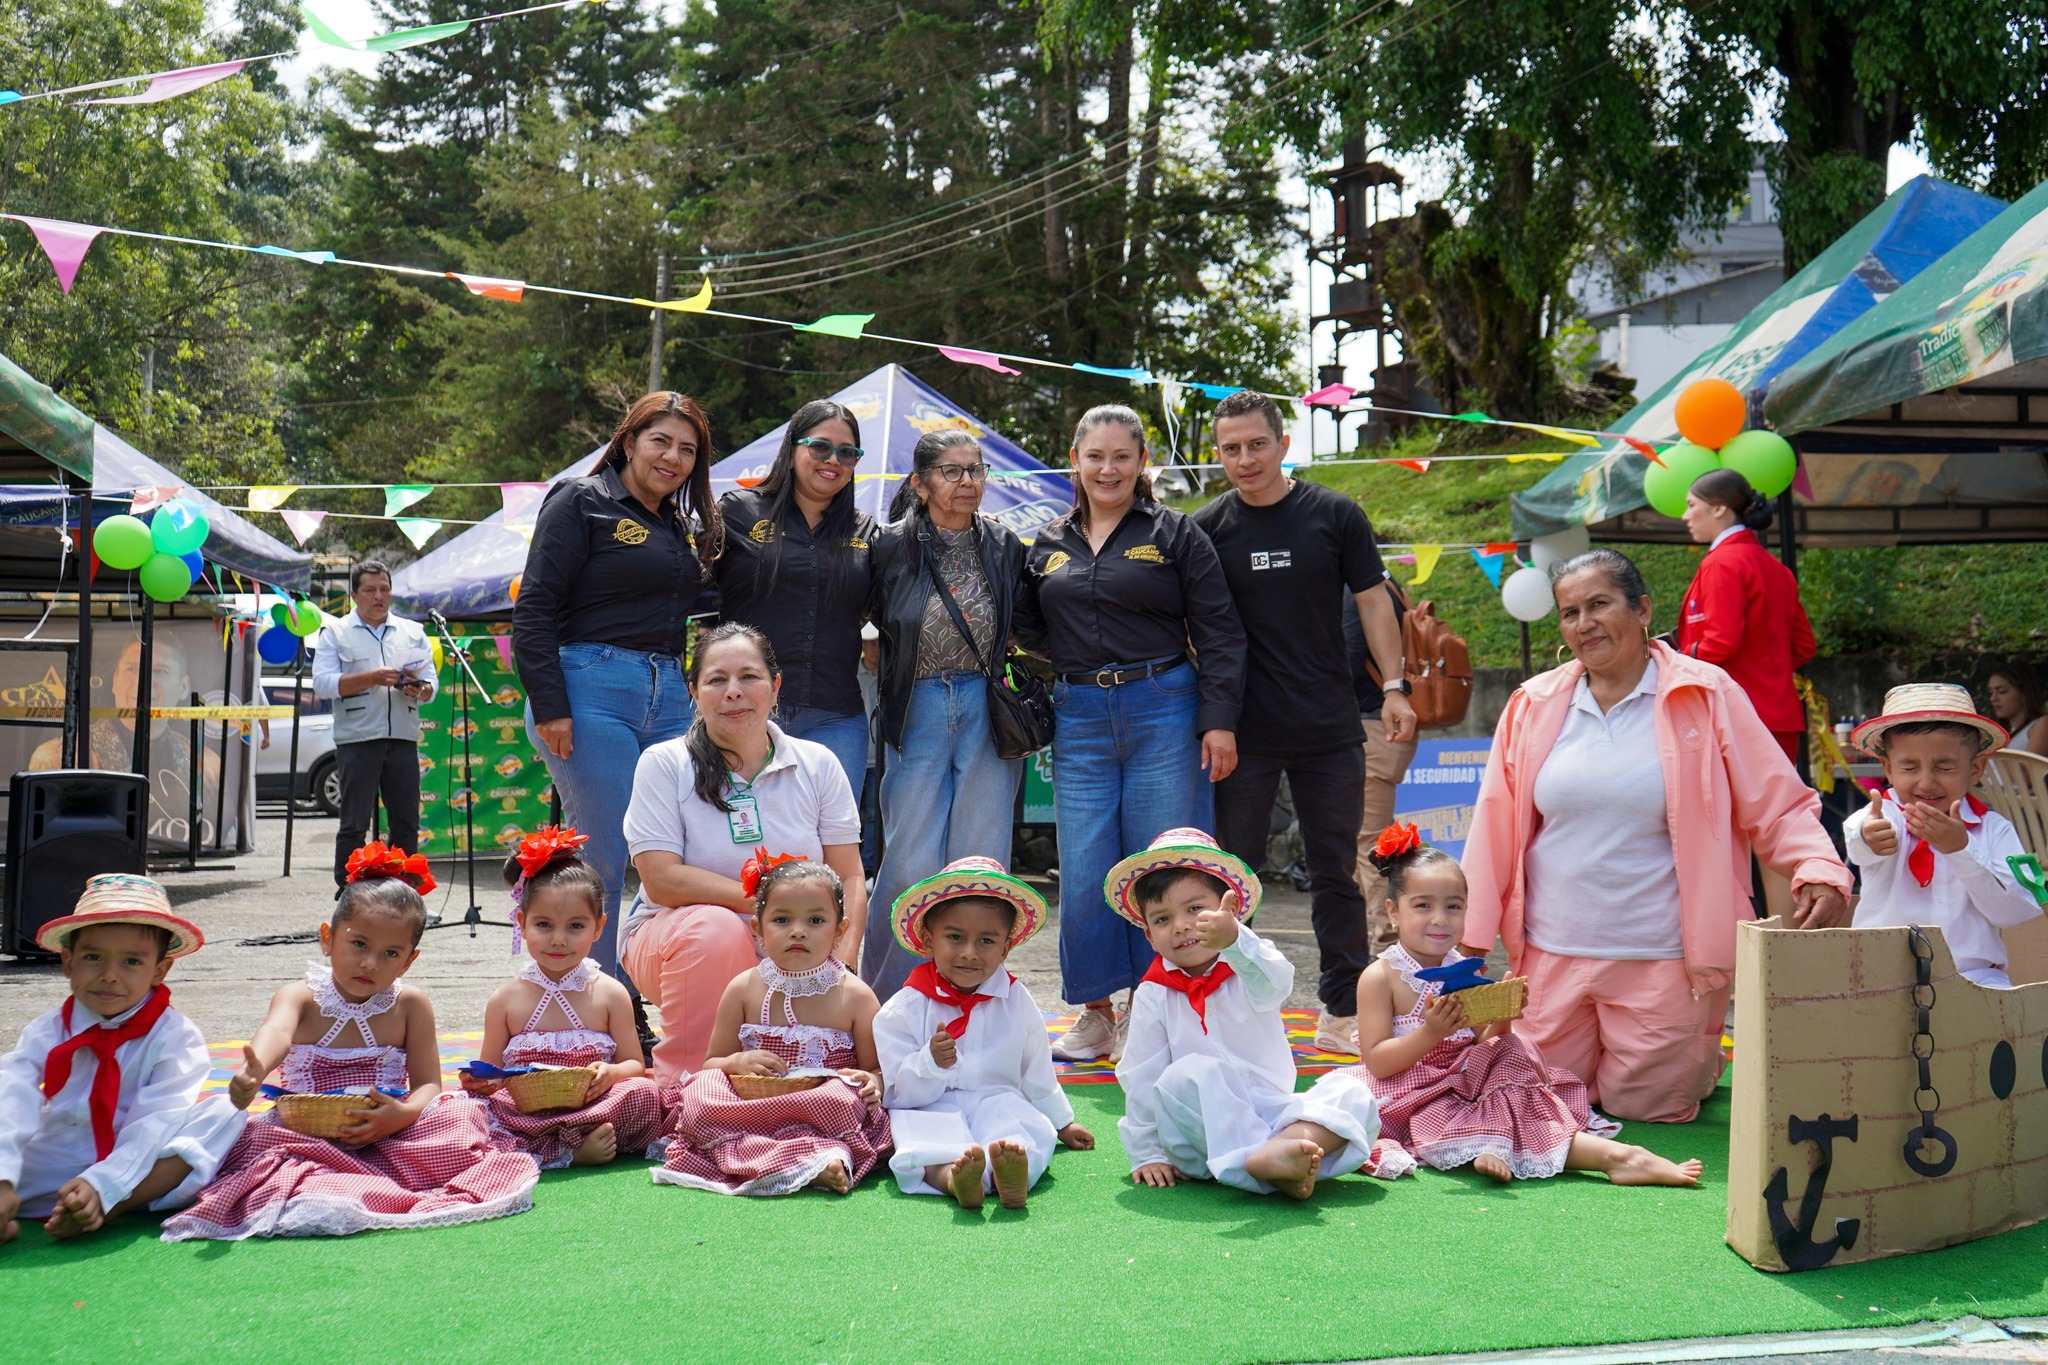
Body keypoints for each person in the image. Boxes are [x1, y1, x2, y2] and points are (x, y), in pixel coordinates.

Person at [1460, 549, 1853, 1124]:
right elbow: (1493, 824)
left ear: (1642, 609)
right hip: (1550, 956)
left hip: (1667, 960)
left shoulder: (1708, 693)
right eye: (1569, 613)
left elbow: (1777, 801)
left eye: (1599, 604)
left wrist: (1817, 866)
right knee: (1543, 1104)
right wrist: (1469, 943)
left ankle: (1693, 1057)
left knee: (1645, 1108)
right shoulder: (1533, 704)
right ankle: (1658, 1056)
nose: (1583, 624)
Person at [1015, 404, 1246, 1064]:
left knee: (1163, 863)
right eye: (1095, 456)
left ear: (1143, 461)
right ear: (1075, 460)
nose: (1108, 468)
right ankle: (1094, 1009)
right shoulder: (1047, 542)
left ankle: (1157, 1005)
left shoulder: (1174, 534)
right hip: (1081, 715)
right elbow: (1028, 626)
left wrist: (1219, 719)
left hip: (1164, 708)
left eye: (1122, 455)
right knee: (1087, 867)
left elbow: (1222, 631)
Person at [1190, 389, 1416, 1057]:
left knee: (1335, 871)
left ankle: (1341, 1007)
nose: (1244, 458)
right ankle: (1230, 1000)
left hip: (1329, 722)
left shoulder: (1334, 514)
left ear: (1284, 444)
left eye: (1256, 444)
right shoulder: (1206, 527)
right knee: (1236, 874)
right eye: (1230, 448)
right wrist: (1212, 717)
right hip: (1242, 730)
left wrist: (1396, 687)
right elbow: (1193, 626)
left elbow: (1376, 604)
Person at [163, 845, 540, 1241]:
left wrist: (402, 1115)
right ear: (327, 939)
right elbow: (277, 1031)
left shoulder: (410, 1004)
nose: (370, 963)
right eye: (358, 944)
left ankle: (364, 1185)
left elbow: (429, 1085)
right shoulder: (301, 996)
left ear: (409, 960)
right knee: (247, 1142)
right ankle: (329, 1191)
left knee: (460, 1121)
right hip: (306, 1135)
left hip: (390, 1131)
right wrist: (254, 1067)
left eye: (390, 953)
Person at [1351, 824, 1702, 1186]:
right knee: (1488, 1098)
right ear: (1393, 911)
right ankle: (1611, 1157)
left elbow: (1480, 1040)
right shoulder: (1380, 976)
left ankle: (1516, 1142)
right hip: (1413, 1091)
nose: (1440, 919)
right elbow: (1377, 1062)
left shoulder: (1459, 964)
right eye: (1422, 906)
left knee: (1513, 1047)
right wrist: (1431, 1033)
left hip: (1467, 1080)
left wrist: (1502, 1019)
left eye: (1453, 906)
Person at [514, 391, 726, 977]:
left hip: (667, 697)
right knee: (603, 857)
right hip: (588, 690)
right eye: (660, 441)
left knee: (672, 852)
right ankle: (588, 1005)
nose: (673, 457)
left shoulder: (682, 525)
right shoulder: (580, 500)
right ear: (629, 441)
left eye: (687, 449)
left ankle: (626, 986)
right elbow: (534, 606)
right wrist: (550, 703)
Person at [620, 625, 865, 1081]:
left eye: (749, 677)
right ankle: (687, 1091)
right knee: (717, 931)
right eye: (716, 680)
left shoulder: (818, 764)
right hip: (678, 941)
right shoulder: (665, 763)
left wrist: (841, 957)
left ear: (775, 687)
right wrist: (774, 909)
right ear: (694, 693)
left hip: (796, 939)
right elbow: (661, 879)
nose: (733, 692)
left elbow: (849, 874)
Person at [1110, 830, 1398, 1200]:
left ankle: (1285, 1154)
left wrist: (1235, 942)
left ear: (1230, 912)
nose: (1181, 925)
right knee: (1191, 1072)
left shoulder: (1250, 964)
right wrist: (1147, 1153)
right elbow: (1140, 1075)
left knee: (1353, 1091)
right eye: (1162, 919)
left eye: (1195, 909)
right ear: (1149, 936)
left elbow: (1278, 982)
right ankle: (1261, 1163)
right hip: (1204, 1133)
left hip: (1275, 1115)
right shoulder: (1153, 992)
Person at [860, 430, 1028, 1002]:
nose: (967, 483)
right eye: (952, 472)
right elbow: (858, 608)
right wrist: (868, 637)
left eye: (976, 471)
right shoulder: (888, 546)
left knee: (980, 864)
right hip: (918, 704)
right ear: (921, 482)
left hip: (986, 705)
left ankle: (973, 1000)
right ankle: (884, 1003)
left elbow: (1028, 618)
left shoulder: (1006, 545)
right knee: (907, 864)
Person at [0, 875, 241, 1244]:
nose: (110, 976)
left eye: (131, 961)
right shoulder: (46, 1030)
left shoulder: (175, 1036)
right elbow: (13, 1097)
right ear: (68, 962)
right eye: (93, 957)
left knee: (225, 1113)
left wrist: (103, 1184)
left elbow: (158, 1121)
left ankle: (102, 1206)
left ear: (159, 971)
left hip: (136, 1174)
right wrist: (4, 1178)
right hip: (48, 1165)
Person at [654, 859, 890, 1196]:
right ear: (758, 929)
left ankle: (805, 1157)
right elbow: (713, 1062)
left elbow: (874, 1070)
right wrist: (737, 1063)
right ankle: (802, 1161)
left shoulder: (855, 995)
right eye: (781, 920)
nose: (798, 931)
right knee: (702, 1091)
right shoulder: (742, 988)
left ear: (840, 930)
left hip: (816, 1110)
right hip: (750, 1109)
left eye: (816, 920)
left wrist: (872, 1081)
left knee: (844, 1098)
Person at [873, 857, 1093, 1210]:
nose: (969, 953)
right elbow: (897, 1092)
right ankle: (955, 1180)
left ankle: (1010, 1175)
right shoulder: (904, 1008)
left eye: (987, 940)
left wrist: (1062, 1122)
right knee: (920, 1139)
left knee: (1022, 1131)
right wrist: (929, 1062)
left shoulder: (1017, 1000)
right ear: (929, 940)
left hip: (997, 1097)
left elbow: (1036, 1067)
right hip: (932, 1104)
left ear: (1006, 947)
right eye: (955, 937)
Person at [463, 827, 664, 1169]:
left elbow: (635, 1065)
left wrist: (612, 1074)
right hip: (526, 1113)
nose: (559, 939)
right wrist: (481, 1082)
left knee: (643, 1094)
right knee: (465, 1109)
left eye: (575, 926)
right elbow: (492, 1073)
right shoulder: (506, 1000)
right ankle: (565, 1151)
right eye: (544, 925)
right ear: (522, 923)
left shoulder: (609, 992)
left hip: (595, 1109)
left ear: (598, 927)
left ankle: (566, 1145)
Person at [714, 400, 878, 799]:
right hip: (743, 712)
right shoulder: (738, 512)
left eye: (847, 452)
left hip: (836, 716)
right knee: (739, 844)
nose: (833, 460)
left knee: (830, 849)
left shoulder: (868, 532)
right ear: (791, 450)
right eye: (820, 447)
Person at [1846, 684, 2043, 987]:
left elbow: (2015, 910)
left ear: (1975, 769)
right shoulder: (1884, 816)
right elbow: (1857, 838)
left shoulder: (1993, 829)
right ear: (1887, 768)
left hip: (1975, 977)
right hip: (1881, 980)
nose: (1926, 782)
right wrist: (1868, 835)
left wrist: (1962, 850)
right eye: (1909, 766)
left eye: (1945, 766)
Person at [32, 632, 223, 850]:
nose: (143, 681)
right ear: (115, 680)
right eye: (132, 669)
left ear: (183, 687)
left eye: (160, 671)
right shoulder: (59, 755)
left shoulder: (207, 766)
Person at [312, 560, 439, 888]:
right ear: (354, 595)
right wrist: (370, 678)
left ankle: (404, 892)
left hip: (402, 737)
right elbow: (323, 684)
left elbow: (431, 685)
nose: (378, 596)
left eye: (384, 589)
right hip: (357, 738)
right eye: (370, 590)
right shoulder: (335, 632)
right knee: (353, 822)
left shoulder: (412, 631)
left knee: (406, 822)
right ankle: (348, 892)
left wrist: (419, 689)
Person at [1676, 468, 1816, 762]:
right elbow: (1803, 645)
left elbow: (1721, 643)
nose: (1685, 516)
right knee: (1780, 808)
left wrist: (1677, 657)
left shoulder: (1722, 563)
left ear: (1718, 509)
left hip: (1735, 717)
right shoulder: (1776, 567)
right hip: (1779, 717)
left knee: (1732, 808)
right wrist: (1766, 667)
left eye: (1691, 505)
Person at [1345, 591, 1420, 958]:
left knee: (1368, 843)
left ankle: (1387, 944)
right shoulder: (1389, 585)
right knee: (1370, 839)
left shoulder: (1358, 592)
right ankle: (1383, 940)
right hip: (1383, 727)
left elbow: (1347, 657)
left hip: (1371, 726)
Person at [1985, 663, 2048, 756]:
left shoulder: (2041, 723)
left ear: (2024, 693)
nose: (1993, 698)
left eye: (2002, 691)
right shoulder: (1997, 731)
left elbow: (2030, 768)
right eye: (1990, 693)